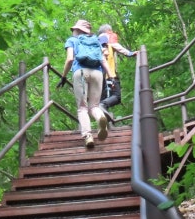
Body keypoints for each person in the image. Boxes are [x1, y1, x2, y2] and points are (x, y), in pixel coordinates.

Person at [58, 19, 113, 149]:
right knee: (94, 106)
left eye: (74, 29)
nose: (73, 31)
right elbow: (103, 61)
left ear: (77, 30)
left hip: (81, 72)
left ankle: (88, 136)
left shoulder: (72, 40)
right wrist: (111, 77)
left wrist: (64, 76)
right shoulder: (96, 42)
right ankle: (100, 118)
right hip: (98, 74)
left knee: (82, 107)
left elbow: (70, 59)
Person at [96, 24, 136, 124]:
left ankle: (104, 126)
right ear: (108, 30)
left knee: (104, 100)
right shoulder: (107, 37)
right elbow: (118, 47)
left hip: (97, 77)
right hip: (109, 75)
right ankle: (101, 106)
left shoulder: (95, 42)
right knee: (116, 97)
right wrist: (130, 53)